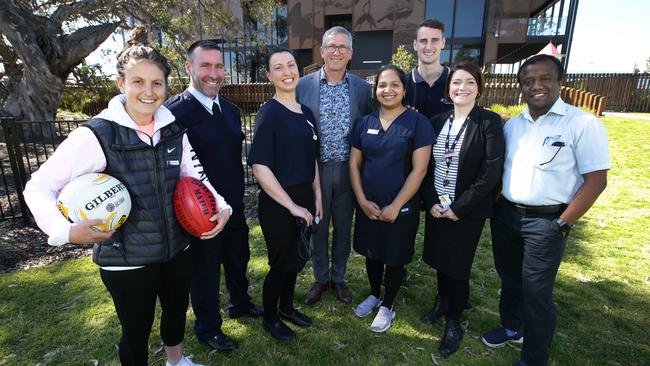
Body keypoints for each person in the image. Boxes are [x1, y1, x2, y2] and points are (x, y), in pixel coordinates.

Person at [22, 27, 231, 366]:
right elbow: (38, 186)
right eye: (138, 82)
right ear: (121, 84)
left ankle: (177, 362)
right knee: (136, 329)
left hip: (178, 246)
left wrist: (221, 206)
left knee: (177, 311)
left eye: (157, 83)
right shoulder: (97, 134)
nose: (148, 92)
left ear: (166, 86)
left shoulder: (172, 127)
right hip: (126, 257)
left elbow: (194, 173)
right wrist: (64, 232)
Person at [481, 54, 610, 366]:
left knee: (537, 291)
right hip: (508, 216)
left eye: (544, 79)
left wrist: (564, 223)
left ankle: (534, 357)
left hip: (549, 220)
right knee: (510, 279)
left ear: (559, 81)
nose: (536, 86)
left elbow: (596, 181)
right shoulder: (513, 126)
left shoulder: (583, 123)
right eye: (528, 81)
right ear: (521, 87)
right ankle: (513, 327)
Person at [165, 40, 262, 353]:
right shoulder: (174, 113)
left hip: (232, 206)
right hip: (200, 212)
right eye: (205, 65)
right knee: (205, 271)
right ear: (188, 68)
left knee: (238, 257)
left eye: (219, 66)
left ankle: (240, 303)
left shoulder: (230, 109)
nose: (213, 73)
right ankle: (208, 329)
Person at [420, 63, 505, 357]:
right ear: (448, 88)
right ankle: (442, 301)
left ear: (478, 88)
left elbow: (491, 171)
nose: (462, 88)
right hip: (437, 204)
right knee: (440, 257)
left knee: (457, 266)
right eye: (456, 83)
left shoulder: (489, 122)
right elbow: (425, 167)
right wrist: (431, 201)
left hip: (467, 209)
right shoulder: (436, 121)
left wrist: (459, 207)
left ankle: (454, 320)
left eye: (469, 83)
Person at [350, 65, 435, 333]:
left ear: (404, 89)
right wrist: (362, 201)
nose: (388, 90)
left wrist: (396, 205)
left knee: (395, 256)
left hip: (402, 207)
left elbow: (420, 169)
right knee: (372, 252)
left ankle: (388, 304)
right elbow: (354, 165)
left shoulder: (418, 123)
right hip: (370, 205)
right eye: (382, 85)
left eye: (394, 85)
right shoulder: (365, 123)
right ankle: (375, 293)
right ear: (376, 91)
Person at [249, 47, 323, 342]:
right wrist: (292, 206)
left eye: (290, 65)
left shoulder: (305, 113)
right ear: (269, 76)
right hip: (280, 202)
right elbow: (259, 168)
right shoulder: (269, 114)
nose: (287, 71)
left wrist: (317, 195)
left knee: (297, 259)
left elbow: (312, 159)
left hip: (305, 196)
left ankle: (287, 308)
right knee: (281, 265)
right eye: (278, 67)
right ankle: (270, 317)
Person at [296, 26, 373, 306]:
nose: (337, 51)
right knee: (318, 225)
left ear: (350, 53)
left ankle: (338, 277)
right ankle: (320, 277)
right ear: (322, 51)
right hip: (316, 170)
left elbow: (373, 125)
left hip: (349, 169)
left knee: (343, 226)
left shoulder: (364, 90)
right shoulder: (303, 86)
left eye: (342, 47)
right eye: (331, 46)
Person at [404, 18, 453, 119]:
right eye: (423, 41)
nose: (429, 47)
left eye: (435, 40)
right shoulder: (402, 84)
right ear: (415, 45)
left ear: (443, 43)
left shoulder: (456, 82)